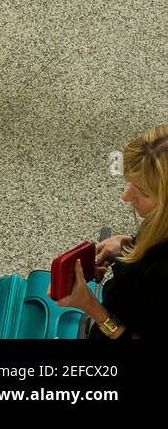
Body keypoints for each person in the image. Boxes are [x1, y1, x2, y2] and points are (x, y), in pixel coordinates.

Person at [58, 125, 168, 339]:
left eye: (143, 193)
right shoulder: (159, 220)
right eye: (130, 182)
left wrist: (90, 306)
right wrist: (127, 246)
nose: (125, 196)